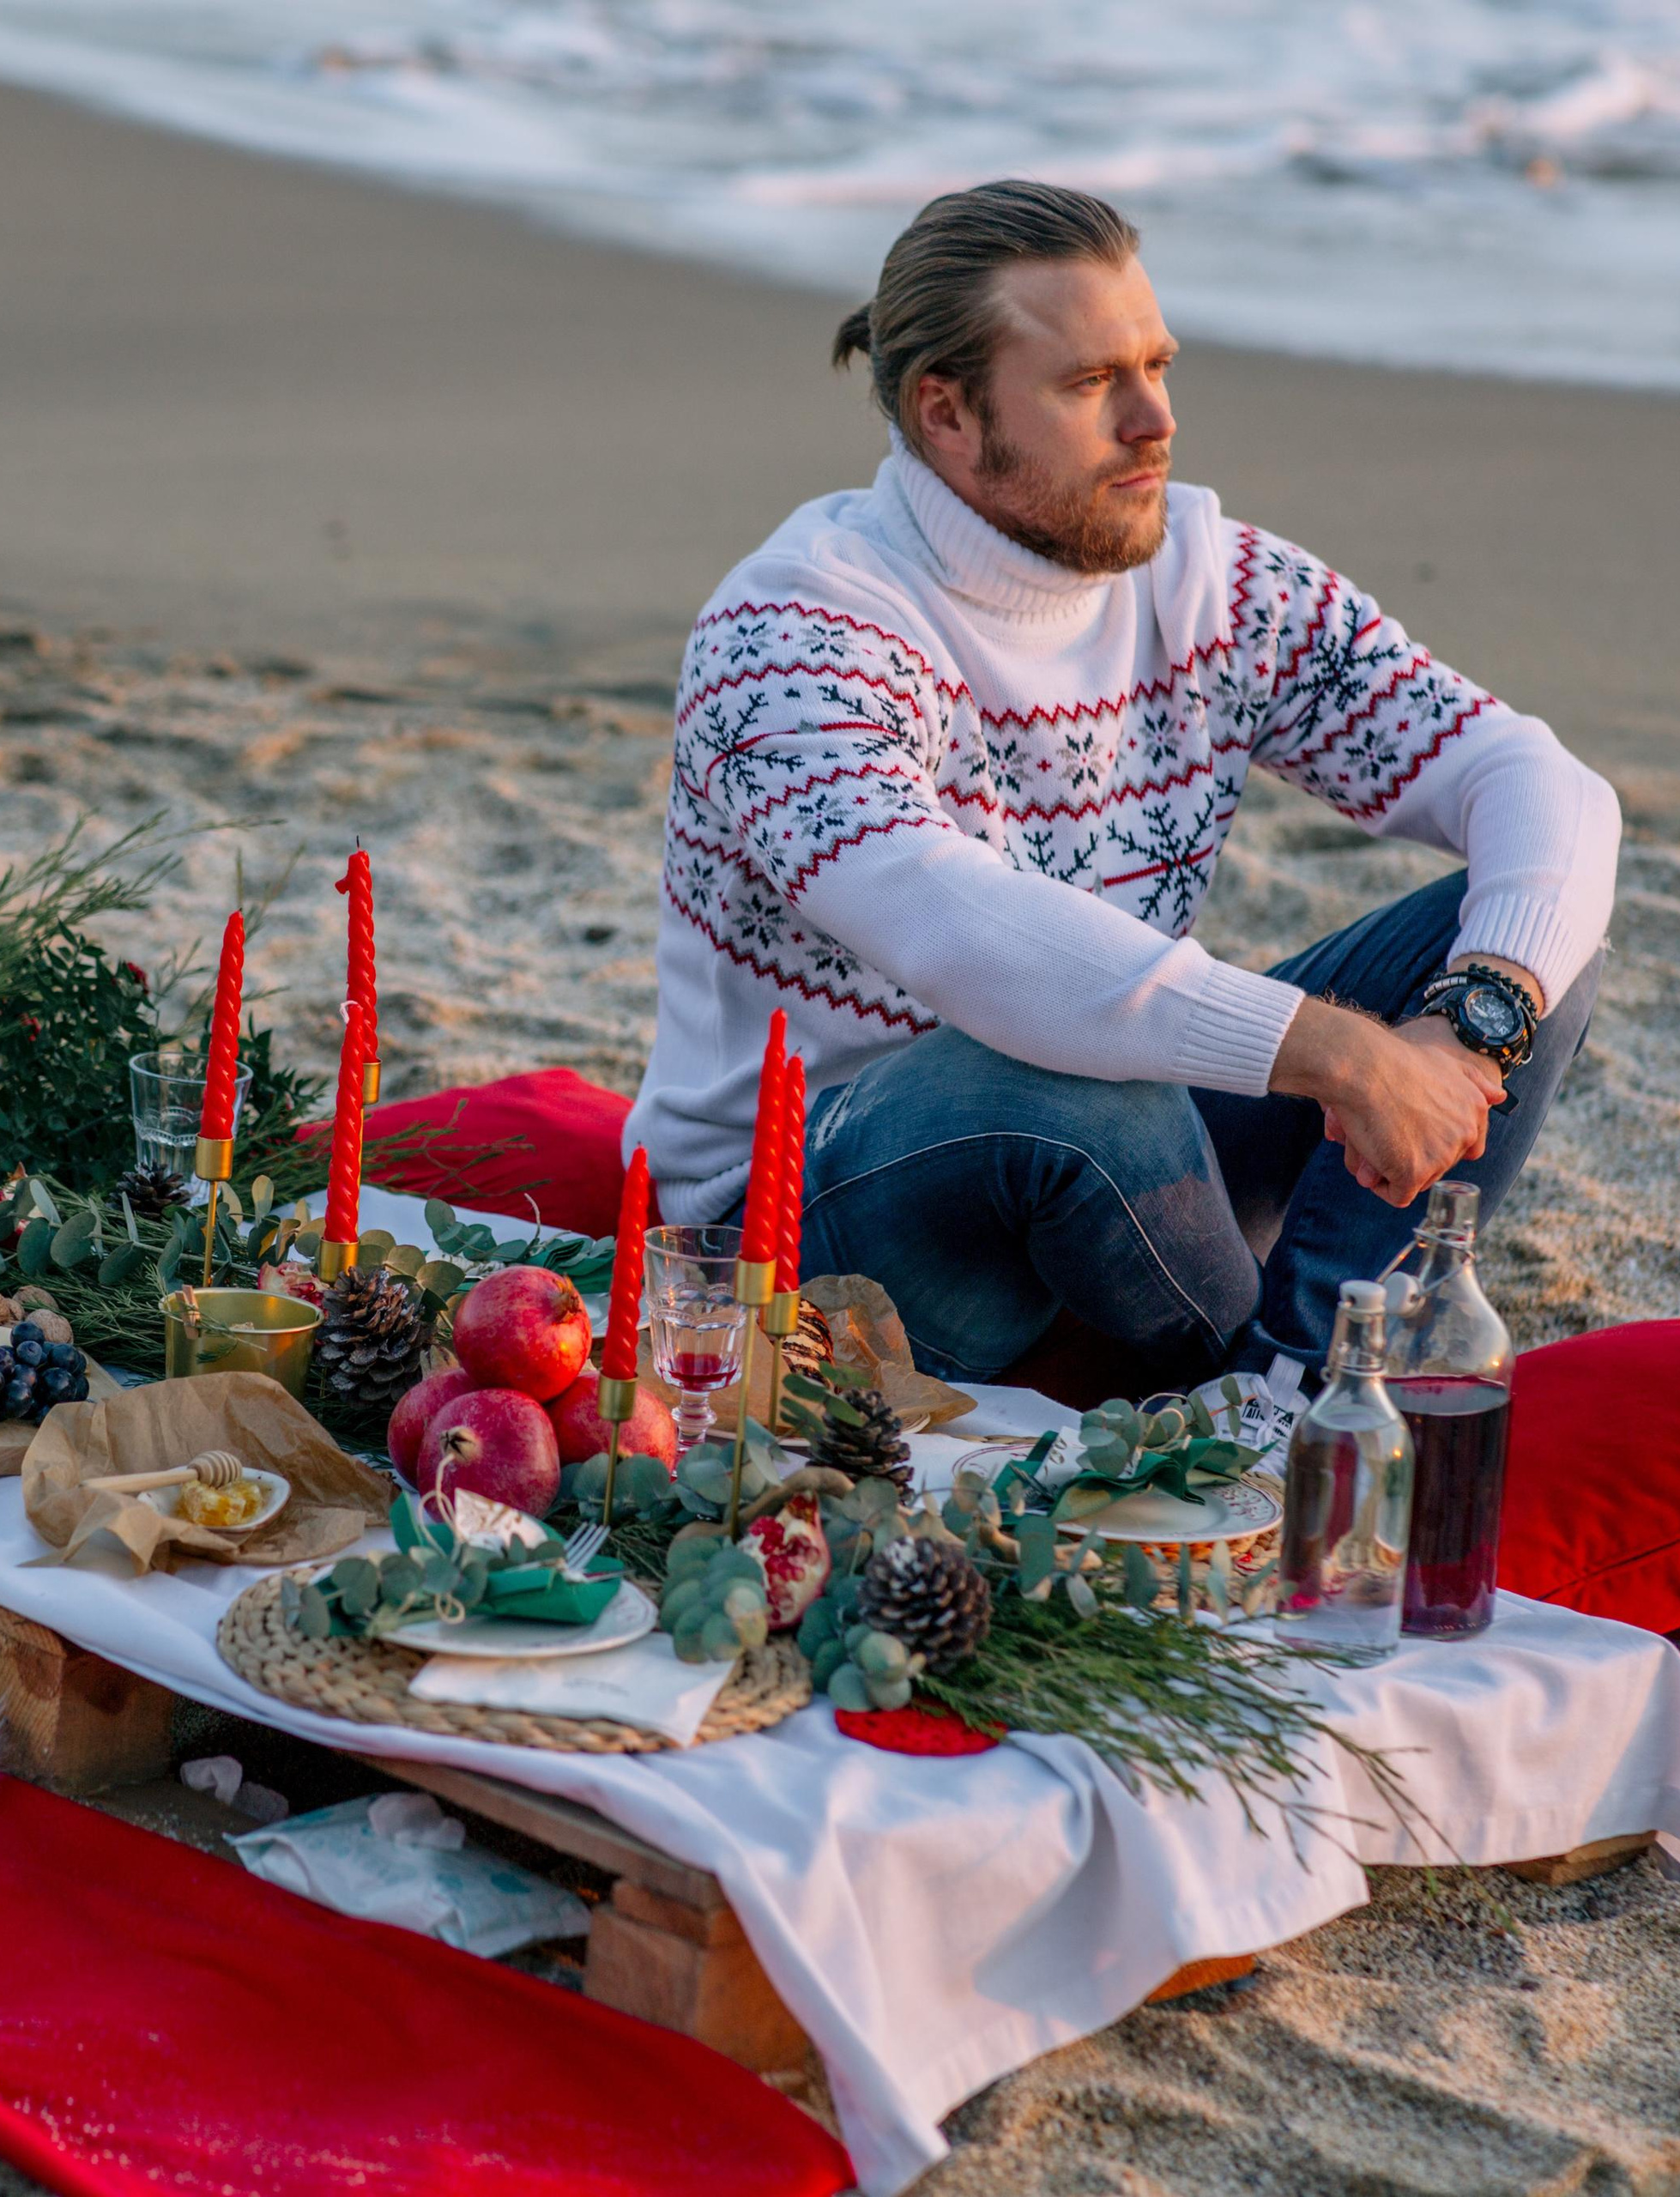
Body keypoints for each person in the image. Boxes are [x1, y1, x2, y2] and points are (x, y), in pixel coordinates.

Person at [626, 180, 1618, 1385]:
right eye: (1092, 384)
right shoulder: (796, 629)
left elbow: (1538, 782)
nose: (1155, 420)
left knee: (1520, 935)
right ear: (946, 412)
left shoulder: (1210, 581)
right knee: (1092, 1093)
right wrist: (1349, 1060)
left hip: (1113, 1166)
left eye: (1157, 365)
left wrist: (1474, 1015)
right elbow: (961, 931)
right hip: (798, 1219)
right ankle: (1250, 1403)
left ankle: (1301, 1386)